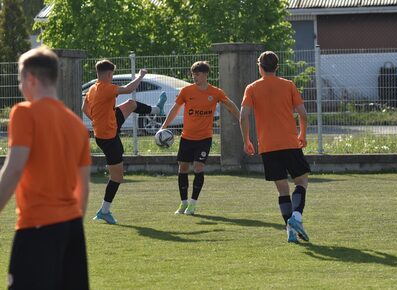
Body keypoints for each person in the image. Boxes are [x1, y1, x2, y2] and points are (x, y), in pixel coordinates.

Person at [0, 46, 91, 289]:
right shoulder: (77, 125)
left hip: (37, 228)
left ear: (30, 78)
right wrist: (68, 227)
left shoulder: (24, 113)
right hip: (72, 228)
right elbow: (83, 189)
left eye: (20, 80)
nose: (20, 87)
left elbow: (14, 168)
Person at [82, 59, 167, 224]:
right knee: (117, 177)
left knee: (130, 104)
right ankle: (104, 211)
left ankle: (157, 109)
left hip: (107, 127)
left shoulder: (92, 88)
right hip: (108, 137)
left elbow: (84, 109)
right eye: (112, 74)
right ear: (108, 74)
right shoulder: (106, 88)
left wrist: (97, 120)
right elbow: (128, 88)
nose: (112, 77)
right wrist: (141, 75)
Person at [240, 51, 311, 243]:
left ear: (260, 67)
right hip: (289, 142)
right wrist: (302, 134)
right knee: (301, 182)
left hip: (268, 146)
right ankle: (296, 218)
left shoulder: (252, 88)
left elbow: (243, 116)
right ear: (277, 67)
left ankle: (289, 230)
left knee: (282, 190)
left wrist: (247, 140)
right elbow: (303, 114)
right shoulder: (288, 85)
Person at [160, 61, 240, 215]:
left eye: (197, 74)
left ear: (205, 75)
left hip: (204, 138)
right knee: (183, 167)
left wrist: (241, 118)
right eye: (193, 75)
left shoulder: (216, 92)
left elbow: (229, 105)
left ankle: (193, 204)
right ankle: (183, 203)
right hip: (187, 137)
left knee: (198, 167)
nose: (194, 77)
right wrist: (164, 126)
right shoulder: (186, 91)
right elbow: (175, 109)